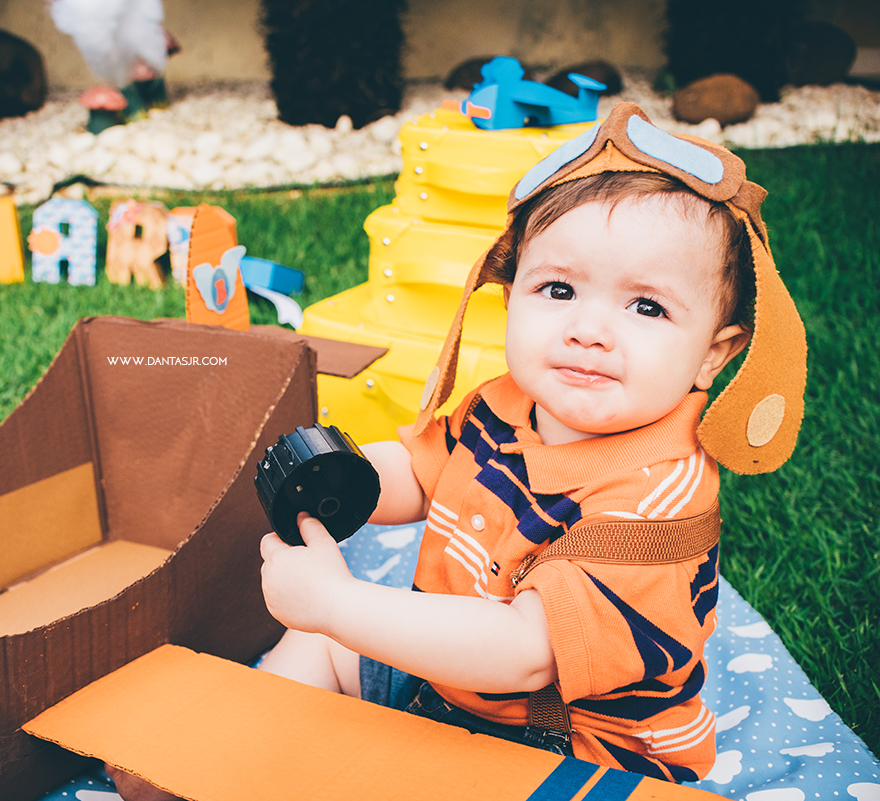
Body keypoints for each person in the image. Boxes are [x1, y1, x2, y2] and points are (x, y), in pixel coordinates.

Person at [106, 102, 806, 799]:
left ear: (713, 355)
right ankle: (215, 760)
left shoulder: (658, 503)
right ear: (509, 297)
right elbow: (420, 469)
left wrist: (337, 602)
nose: (589, 327)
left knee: (342, 646)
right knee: (322, 648)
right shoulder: (505, 402)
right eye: (558, 289)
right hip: (448, 680)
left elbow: (525, 653)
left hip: (573, 746)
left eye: (646, 306)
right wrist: (339, 478)